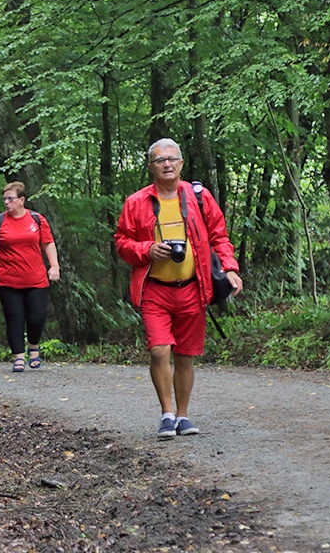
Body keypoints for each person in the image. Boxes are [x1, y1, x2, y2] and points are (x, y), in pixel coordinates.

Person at [114, 138, 242, 439]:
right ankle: (167, 414)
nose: (167, 164)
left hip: (193, 288)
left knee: (185, 355)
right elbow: (121, 242)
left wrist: (231, 269)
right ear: (151, 167)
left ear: (181, 163)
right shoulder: (136, 202)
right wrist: (147, 249)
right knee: (159, 350)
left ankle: (183, 416)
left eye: (172, 159)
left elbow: (219, 236)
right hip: (155, 289)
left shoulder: (199, 197)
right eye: (160, 160)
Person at [0, 182, 60, 372]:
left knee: (37, 316)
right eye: (5, 199)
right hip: (7, 278)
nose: (7, 203)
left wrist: (54, 266)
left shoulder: (37, 220)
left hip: (35, 278)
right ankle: (18, 356)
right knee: (14, 317)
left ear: (22, 200)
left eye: (11, 199)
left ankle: (33, 346)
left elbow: (48, 244)